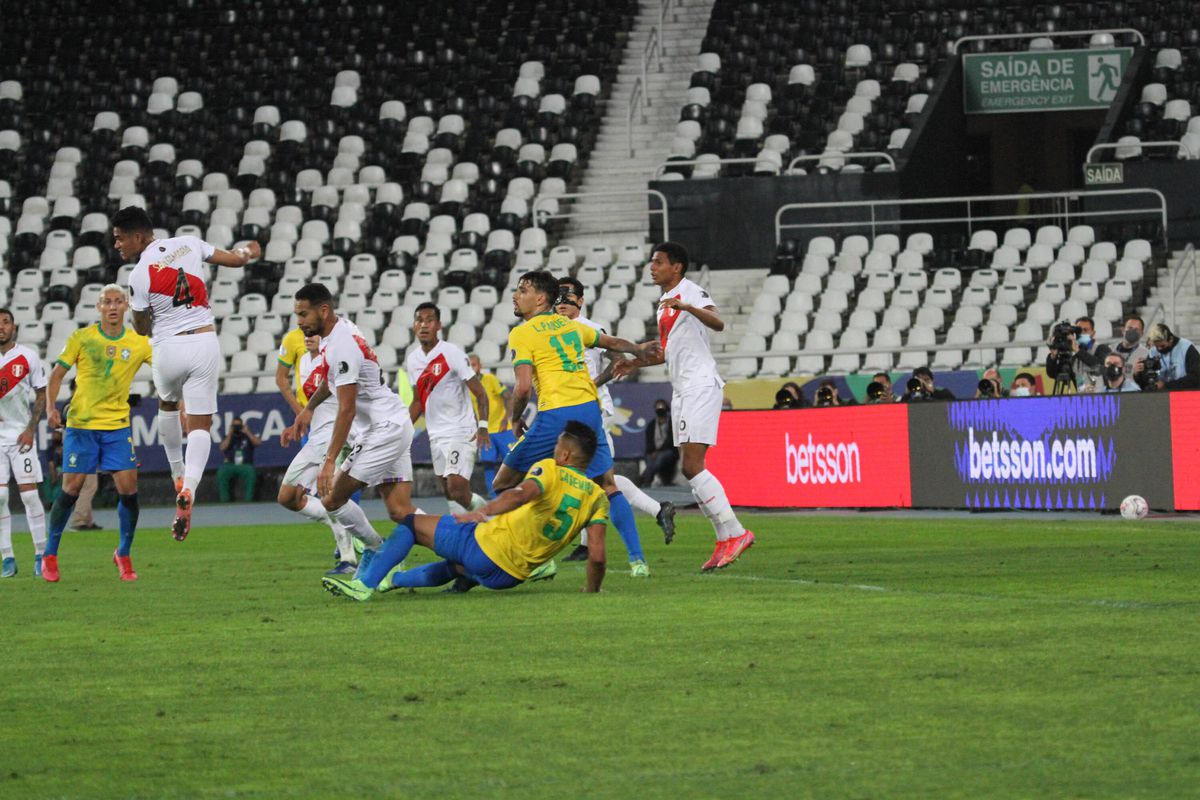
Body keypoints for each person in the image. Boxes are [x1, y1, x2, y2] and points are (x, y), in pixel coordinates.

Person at [490, 270, 658, 581]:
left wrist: (515, 419)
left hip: (556, 413)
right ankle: (638, 561)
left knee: (503, 484)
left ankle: (535, 559)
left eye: (522, 290)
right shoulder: (569, 325)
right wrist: (639, 348)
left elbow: (523, 387)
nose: (516, 295)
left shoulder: (522, 334)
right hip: (589, 409)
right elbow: (611, 342)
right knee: (607, 484)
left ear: (540, 299)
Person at [321, 421, 610, 600]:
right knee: (456, 567)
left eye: (556, 448)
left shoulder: (551, 470)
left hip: (486, 546)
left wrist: (483, 512)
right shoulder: (598, 498)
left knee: (410, 523)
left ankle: (365, 585)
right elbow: (596, 554)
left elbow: (522, 495)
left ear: (565, 454)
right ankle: (393, 581)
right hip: (508, 578)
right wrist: (593, 589)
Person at [118, 205, 262, 541]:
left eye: (120, 238)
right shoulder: (190, 243)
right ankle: (192, 489)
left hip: (167, 347)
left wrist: (148, 313)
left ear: (138, 237)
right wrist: (249, 251)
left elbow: (140, 329)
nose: (117, 245)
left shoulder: (139, 274)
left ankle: (176, 475)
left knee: (168, 405)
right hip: (203, 341)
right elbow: (237, 259)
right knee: (200, 427)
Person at [613, 242, 756, 572]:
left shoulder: (690, 291)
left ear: (676, 267)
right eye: (652, 262)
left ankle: (735, 532)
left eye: (658, 262)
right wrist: (634, 365)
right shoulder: (664, 306)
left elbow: (718, 324)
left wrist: (687, 307)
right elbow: (666, 351)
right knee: (689, 467)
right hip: (682, 389)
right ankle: (725, 539)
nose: (652, 267)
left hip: (700, 385)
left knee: (693, 465)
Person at [282, 283, 417, 581]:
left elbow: (347, 410)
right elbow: (331, 383)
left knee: (332, 499)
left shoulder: (341, 344)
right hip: (388, 422)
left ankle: (378, 551)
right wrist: (309, 409)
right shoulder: (337, 334)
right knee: (398, 509)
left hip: (385, 430)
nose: (300, 322)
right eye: (297, 315)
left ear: (324, 310)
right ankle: (456, 542)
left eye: (304, 314)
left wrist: (329, 460)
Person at [555, 277, 675, 573]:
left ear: (580, 301)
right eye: (559, 298)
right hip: (564, 411)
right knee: (595, 480)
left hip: (594, 410)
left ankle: (629, 554)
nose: (562, 304)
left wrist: (593, 383)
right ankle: (657, 511)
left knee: (594, 481)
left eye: (568, 298)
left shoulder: (593, 330)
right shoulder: (551, 331)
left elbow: (617, 360)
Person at [41, 285, 152, 582]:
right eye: (107, 302)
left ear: (127, 306)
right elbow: (57, 374)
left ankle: (124, 553)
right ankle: (50, 554)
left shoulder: (139, 342)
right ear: (99, 307)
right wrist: (51, 407)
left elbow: (165, 368)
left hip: (116, 427)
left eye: (118, 302)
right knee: (71, 488)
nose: (113, 307)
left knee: (129, 491)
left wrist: (179, 399)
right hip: (82, 425)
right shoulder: (82, 338)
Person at [277, 333, 356, 576]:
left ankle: (349, 558)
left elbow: (348, 399)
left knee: (330, 495)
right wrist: (298, 422)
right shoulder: (304, 363)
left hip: (338, 436)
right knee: (287, 497)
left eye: (313, 333)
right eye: (305, 334)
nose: (307, 337)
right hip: (316, 436)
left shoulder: (336, 356)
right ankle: (355, 530)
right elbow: (311, 404)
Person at [405, 302, 491, 514]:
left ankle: (495, 520)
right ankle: (465, 536)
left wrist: (483, 425)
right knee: (449, 491)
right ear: (414, 326)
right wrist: (402, 430)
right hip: (436, 434)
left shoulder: (452, 353)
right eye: (419, 320)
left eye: (429, 320)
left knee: (457, 487)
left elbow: (480, 393)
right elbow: (418, 401)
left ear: (439, 325)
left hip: (461, 431)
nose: (424, 325)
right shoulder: (413, 360)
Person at [0, 308, 48, 578]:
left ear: (14, 327)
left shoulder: (27, 356)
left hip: (21, 435)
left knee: (30, 495)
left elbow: (41, 394)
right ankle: (7, 557)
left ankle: (41, 553)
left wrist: (31, 429)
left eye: (6, 322)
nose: (1, 327)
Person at [468, 353, 515, 497]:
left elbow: (508, 397)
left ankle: (516, 492)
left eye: (474, 364)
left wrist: (506, 419)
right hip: (485, 432)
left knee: (513, 461)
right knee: (488, 464)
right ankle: (494, 496)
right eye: (469, 365)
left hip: (503, 430)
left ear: (480, 366)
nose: (471, 367)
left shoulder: (490, 379)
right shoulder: (467, 386)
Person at [1045, 316, 1110, 392]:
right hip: (1081, 400)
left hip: (1102, 399)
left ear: (1093, 333)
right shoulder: (1073, 355)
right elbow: (1053, 374)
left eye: (1085, 330)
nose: (1081, 333)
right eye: (1079, 330)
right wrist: (1053, 356)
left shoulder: (1102, 348)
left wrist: (1077, 350)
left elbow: (1100, 365)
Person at [1140, 322, 1200, 390]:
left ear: (1170, 339)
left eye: (1162, 346)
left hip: (1185, 393)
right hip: (1160, 396)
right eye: (1157, 346)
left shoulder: (1187, 348)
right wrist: (1138, 374)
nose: (1159, 349)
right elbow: (1148, 377)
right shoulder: (1153, 351)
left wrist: (1165, 386)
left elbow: (1195, 377)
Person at [216, 416, 262, 502]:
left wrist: (247, 432)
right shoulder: (227, 437)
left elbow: (258, 443)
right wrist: (230, 434)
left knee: (250, 472)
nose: (237, 428)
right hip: (230, 464)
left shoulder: (247, 436)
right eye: (235, 426)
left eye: (239, 426)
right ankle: (224, 500)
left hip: (245, 465)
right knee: (222, 472)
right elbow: (222, 447)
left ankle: (248, 500)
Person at [639, 398, 678, 487]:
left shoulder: (672, 423)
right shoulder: (651, 425)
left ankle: (645, 478)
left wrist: (658, 451)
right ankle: (647, 480)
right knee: (650, 459)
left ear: (666, 409)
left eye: (662, 408)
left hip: (668, 450)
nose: (660, 410)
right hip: (653, 451)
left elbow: (671, 440)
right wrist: (653, 451)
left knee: (659, 459)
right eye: (658, 408)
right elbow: (649, 441)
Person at [275, 327, 310, 417]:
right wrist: (299, 412)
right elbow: (280, 378)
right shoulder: (292, 338)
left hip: (334, 410)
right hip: (308, 412)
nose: (300, 320)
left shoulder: (335, 333)